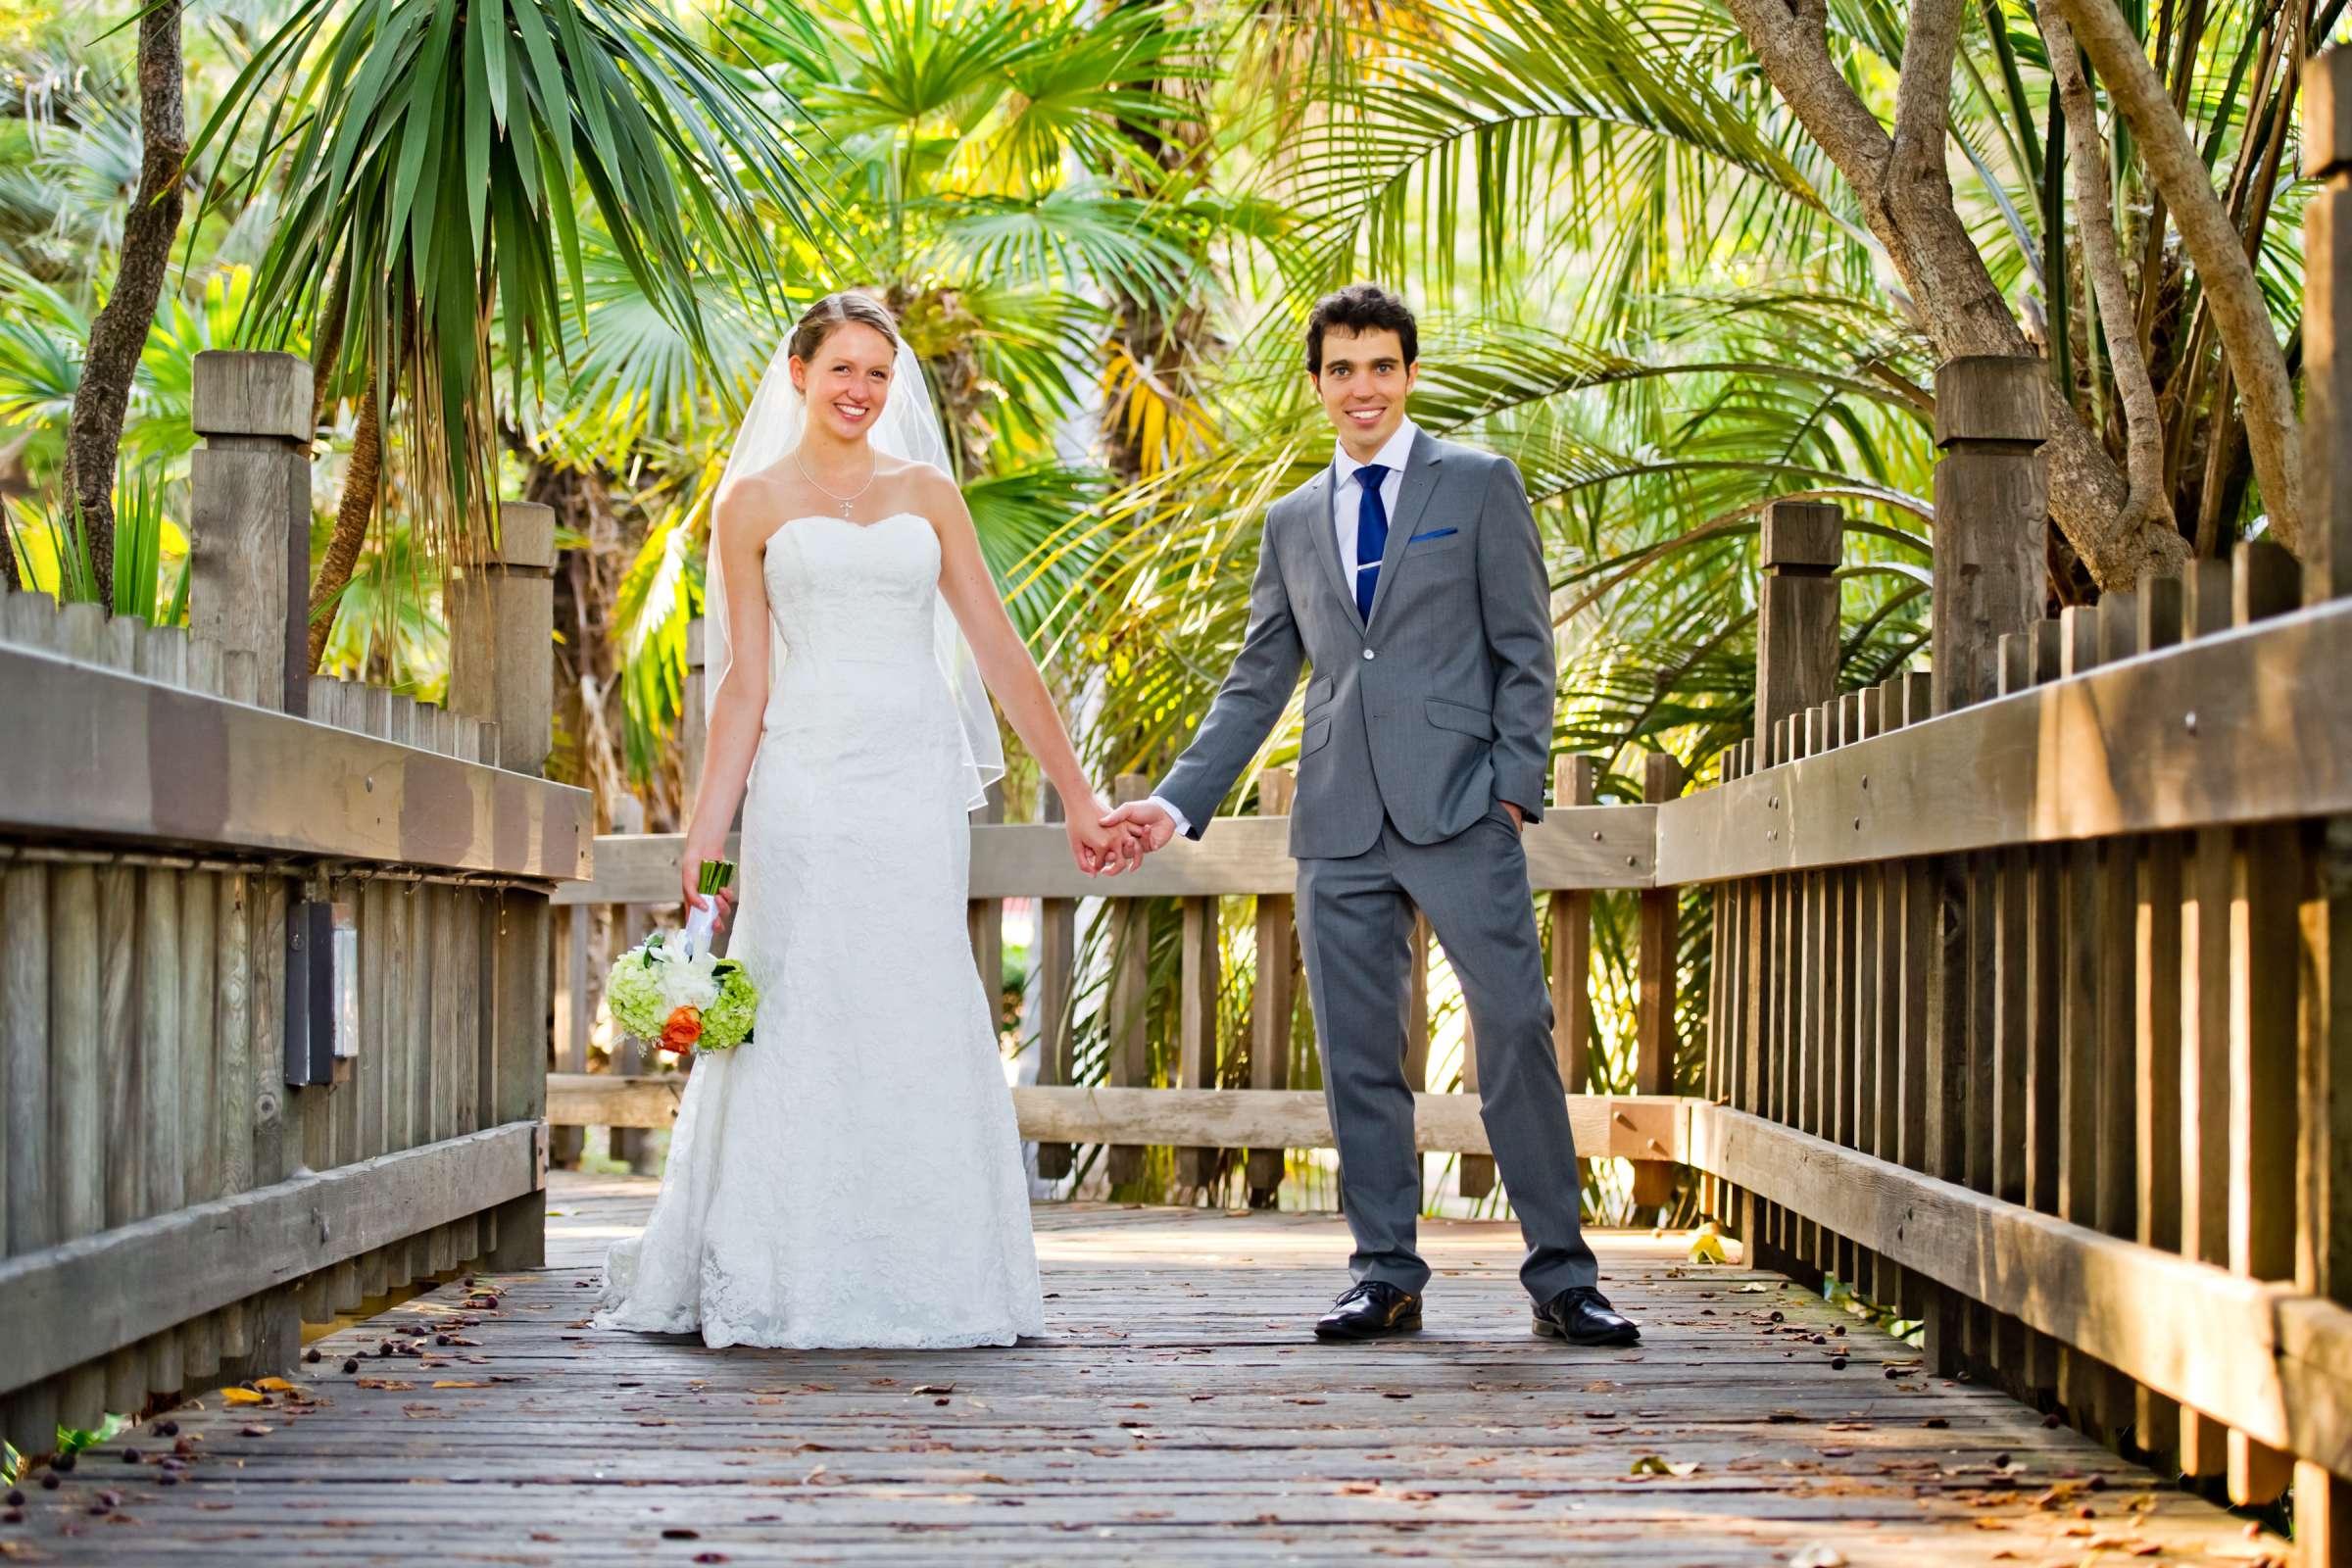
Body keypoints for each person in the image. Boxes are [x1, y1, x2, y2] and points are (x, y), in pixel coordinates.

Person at [596, 292, 1142, 1349]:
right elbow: (745, 687)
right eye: (841, 368)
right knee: (800, 1003)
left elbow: (997, 651)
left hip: (909, 786)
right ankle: (780, 1265)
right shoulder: (750, 501)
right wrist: (706, 842)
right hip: (804, 786)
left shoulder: (927, 493)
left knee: (915, 995)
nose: (860, 391)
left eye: (878, 374)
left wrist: (1079, 795)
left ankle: (935, 1274)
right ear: (798, 372)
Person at [1102, 284, 1640, 1348]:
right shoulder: (1292, 520)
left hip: (1461, 810)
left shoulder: (1479, 486)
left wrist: (1512, 789)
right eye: (1342, 369)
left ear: (1410, 374)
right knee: (1358, 1053)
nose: (1363, 387)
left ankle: (1563, 1275)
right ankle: (1385, 1271)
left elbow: (1528, 652)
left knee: (1517, 1029)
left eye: (1382, 366)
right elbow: (1259, 679)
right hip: (1339, 816)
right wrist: (1174, 800)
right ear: (1317, 385)